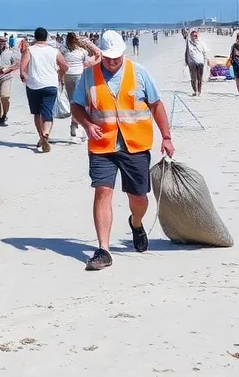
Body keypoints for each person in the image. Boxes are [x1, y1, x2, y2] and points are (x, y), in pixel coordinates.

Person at [70, 30, 175, 272]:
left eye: (116, 58)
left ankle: (136, 223)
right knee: (102, 191)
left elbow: (156, 105)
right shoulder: (88, 76)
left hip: (135, 145)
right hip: (102, 146)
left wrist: (166, 137)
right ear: (101, 54)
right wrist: (87, 125)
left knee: (138, 197)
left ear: (123, 53)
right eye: (107, 58)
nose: (112, 62)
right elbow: (77, 105)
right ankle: (103, 250)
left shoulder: (140, 73)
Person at [20, 27, 68, 153]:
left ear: (35, 37)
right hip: (50, 85)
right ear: (46, 37)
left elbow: (23, 67)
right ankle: (46, 133)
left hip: (33, 85)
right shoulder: (54, 51)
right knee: (47, 111)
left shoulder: (29, 50)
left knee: (37, 113)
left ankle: (41, 136)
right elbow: (65, 66)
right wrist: (60, 75)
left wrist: (23, 76)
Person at [61, 33, 100, 137]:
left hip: (67, 76)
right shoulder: (82, 52)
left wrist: (60, 78)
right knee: (79, 101)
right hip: (79, 75)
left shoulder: (64, 51)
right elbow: (94, 57)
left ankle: (75, 123)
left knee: (72, 101)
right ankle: (75, 124)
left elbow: (61, 64)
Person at [184, 30, 209, 96]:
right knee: (193, 78)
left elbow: (205, 53)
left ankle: (199, 91)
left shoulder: (202, 43)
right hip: (191, 62)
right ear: (191, 36)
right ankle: (196, 91)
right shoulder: (189, 43)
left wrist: (207, 60)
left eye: (196, 36)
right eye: (193, 36)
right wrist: (186, 61)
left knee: (200, 78)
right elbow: (186, 52)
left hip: (200, 62)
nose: (195, 37)